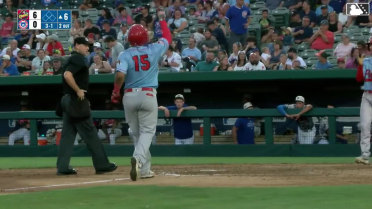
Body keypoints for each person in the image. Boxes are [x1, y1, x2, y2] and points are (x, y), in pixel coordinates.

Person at [111, 10, 172, 181]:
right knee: (147, 132)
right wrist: (161, 20)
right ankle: (138, 158)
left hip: (129, 95)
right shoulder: (154, 49)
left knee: (137, 134)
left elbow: (120, 75)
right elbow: (167, 37)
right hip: (147, 94)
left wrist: (116, 91)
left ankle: (144, 170)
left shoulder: (124, 53)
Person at [57, 37, 117, 175]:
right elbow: (67, 75)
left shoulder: (70, 59)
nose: (87, 48)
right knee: (90, 132)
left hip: (67, 100)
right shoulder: (77, 58)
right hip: (75, 100)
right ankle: (102, 164)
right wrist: (78, 90)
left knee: (67, 135)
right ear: (77, 45)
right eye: (85, 45)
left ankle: (62, 167)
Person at [355, 58, 372, 164]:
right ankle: (365, 155)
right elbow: (359, 79)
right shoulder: (366, 61)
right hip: (367, 95)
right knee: (365, 125)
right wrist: (361, 66)